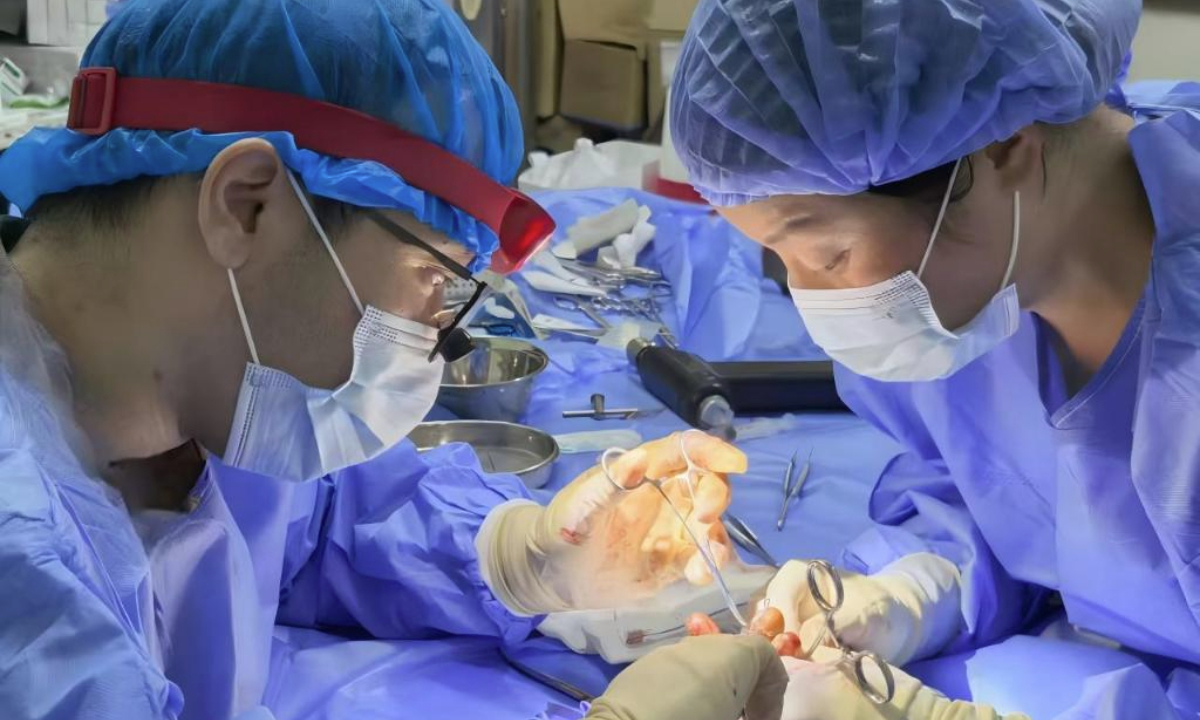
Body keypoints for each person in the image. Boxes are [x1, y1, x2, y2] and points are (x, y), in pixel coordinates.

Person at [0, 1, 787, 718]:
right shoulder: (22, 581)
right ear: (247, 204)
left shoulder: (187, 381)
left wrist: (525, 556)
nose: (435, 339)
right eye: (434, 283)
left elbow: (312, 521)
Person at [672, 0, 1200, 717]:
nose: (811, 296)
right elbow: (995, 496)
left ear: (1004, 148)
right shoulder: (977, 293)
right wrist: (905, 593)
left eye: (828, 254)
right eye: (776, 259)